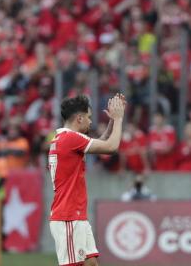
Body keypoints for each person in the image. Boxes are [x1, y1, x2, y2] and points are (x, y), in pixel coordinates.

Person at [49, 94, 126, 266]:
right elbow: (111, 147)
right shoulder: (70, 139)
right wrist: (119, 119)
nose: (91, 122)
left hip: (75, 215)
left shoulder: (65, 138)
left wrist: (112, 121)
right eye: (89, 117)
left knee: (91, 263)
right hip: (67, 216)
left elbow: (101, 141)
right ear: (79, 118)